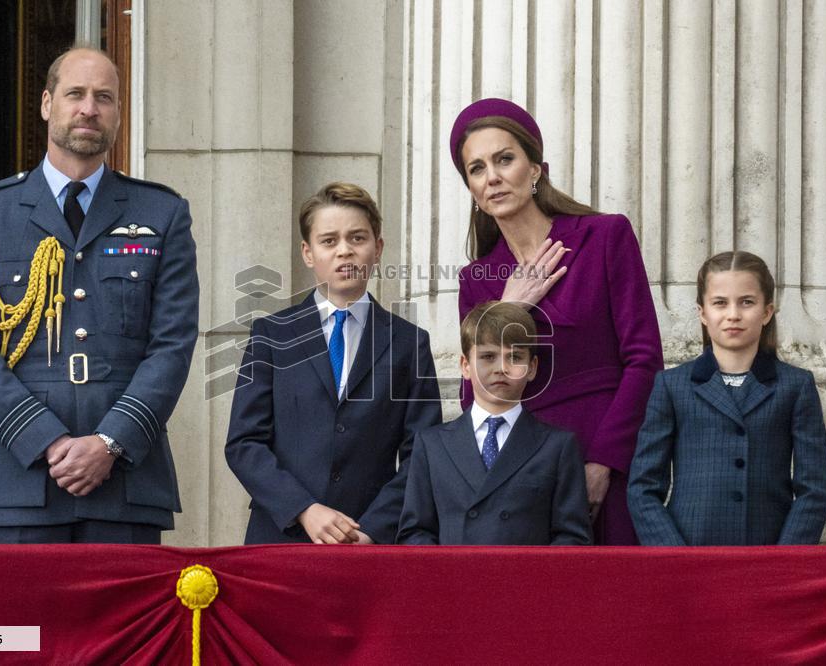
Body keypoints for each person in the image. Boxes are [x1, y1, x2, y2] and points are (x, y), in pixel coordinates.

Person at [0, 47, 199, 543]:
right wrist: (48, 440)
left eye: (104, 97)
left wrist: (109, 443)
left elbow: (172, 345)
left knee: (124, 625)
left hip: (124, 483)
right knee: (19, 624)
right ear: (46, 104)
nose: (89, 108)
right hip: (19, 482)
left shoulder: (162, 213)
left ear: (119, 113)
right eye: (75, 94)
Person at [451, 98, 663, 545]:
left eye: (504, 159)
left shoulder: (605, 237)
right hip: (521, 468)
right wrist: (508, 309)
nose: (492, 177)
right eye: (476, 168)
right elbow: (475, 394)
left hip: (607, 451)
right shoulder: (477, 280)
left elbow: (644, 361)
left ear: (535, 169)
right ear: (470, 188)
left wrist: (605, 462)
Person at [225, 182, 442, 545]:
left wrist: (371, 530)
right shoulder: (272, 335)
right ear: (308, 253)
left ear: (378, 248)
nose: (345, 251)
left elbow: (422, 452)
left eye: (357, 238)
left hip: (369, 542)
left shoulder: (409, 343)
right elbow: (244, 443)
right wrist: (304, 509)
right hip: (282, 537)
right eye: (329, 241)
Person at [628, 251, 826, 545]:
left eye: (746, 302)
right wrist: (673, 555)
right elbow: (643, 487)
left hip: (767, 554)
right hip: (688, 552)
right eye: (720, 303)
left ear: (766, 311)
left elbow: (815, 489)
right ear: (702, 312)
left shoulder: (795, 386)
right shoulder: (672, 386)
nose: (733, 314)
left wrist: (784, 558)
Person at [397, 301, 592, 545]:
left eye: (515, 357)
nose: (501, 368)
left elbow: (572, 537)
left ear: (532, 368)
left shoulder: (558, 446)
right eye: (488, 356)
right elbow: (414, 532)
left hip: (525, 581)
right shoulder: (432, 444)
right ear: (465, 366)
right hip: (453, 580)